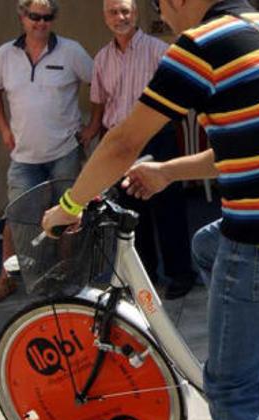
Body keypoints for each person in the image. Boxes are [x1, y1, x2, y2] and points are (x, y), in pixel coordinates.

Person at [42, 0, 259, 420]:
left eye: (161, 12)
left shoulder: (201, 44)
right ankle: (255, 359)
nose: (166, 22)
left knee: (229, 392)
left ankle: (248, 399)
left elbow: (121, 142)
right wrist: (166, 172)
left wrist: (70, 206)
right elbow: (244, 148)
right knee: (206, 245)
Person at [80, 0, 196, 299]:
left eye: (125, 11)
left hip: (156, 139)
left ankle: (180, 275)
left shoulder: (159, 51)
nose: (120, 17)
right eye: (113, 12)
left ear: (136, 14)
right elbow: (100, 101)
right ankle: (143, 277)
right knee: (132, 214)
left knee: (167, 209)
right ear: (105, 17)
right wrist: (94, 131)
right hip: (120, 143)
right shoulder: (102, 58)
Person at [0, 0, 94, 303]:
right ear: (22, 16)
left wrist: (94, 126)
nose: (40, 23)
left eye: (46, 18)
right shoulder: (5, 54)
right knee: (17, 217)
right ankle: (7, 278)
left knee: (68, 216)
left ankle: (66, 277)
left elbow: (99, 85)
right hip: (24, 156)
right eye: (34, 16)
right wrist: (4, 129)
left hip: (65, 152)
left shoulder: (71, 51)